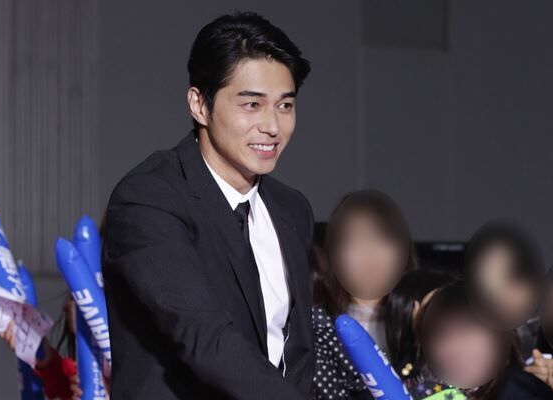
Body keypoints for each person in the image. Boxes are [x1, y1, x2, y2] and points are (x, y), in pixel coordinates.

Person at [102, 12, 314, 399]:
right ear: (199, 104)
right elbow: (206, 340)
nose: (272, 126)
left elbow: (295, 355)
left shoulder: (291, 210)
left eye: (285, 106)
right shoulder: (149, 199)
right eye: (252, 105)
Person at [311, 190, 417, 400]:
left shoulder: (422, 313)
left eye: (382, 238)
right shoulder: (318, 325)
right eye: (356, 239)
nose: (370, 253)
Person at [418, 280, 553, 399]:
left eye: (467, 331)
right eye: (442, 334)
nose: (454, 347)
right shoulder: (424, 386)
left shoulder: (524, 392)